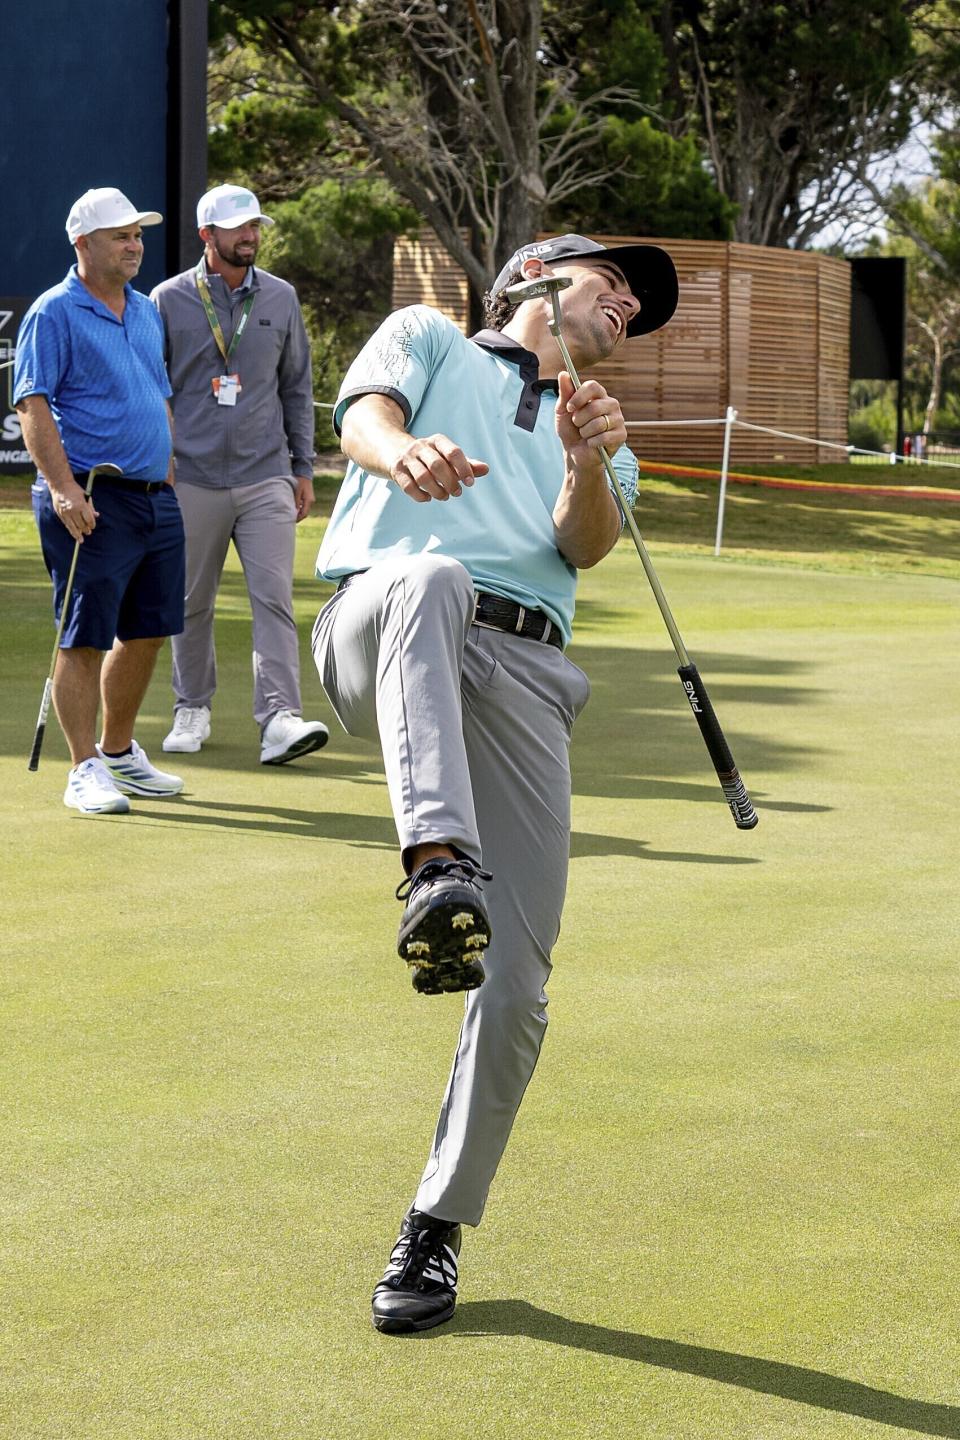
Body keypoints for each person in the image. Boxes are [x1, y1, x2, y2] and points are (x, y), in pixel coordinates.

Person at [311, 233, 678, 1332]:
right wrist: (403, 452)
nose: (623, 309)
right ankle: (436, 863)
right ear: (531, 278)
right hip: (385, 621)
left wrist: (584, 458)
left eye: (633, 311)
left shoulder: (604, 428)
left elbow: (586, 542)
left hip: (525, 668)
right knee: (430, 570)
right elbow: (363, 416)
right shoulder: (428, 336)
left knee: (517, 985)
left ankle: (436, 1225)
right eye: (609, 285)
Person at [14, 186, 186, 815]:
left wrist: (164, 466)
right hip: (88, 496)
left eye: (137, 234)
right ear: (83, 243)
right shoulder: (53, 312)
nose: (135, 244)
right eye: (120, 235)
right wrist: (61, 489)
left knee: (147, 630)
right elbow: (32, 403)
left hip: (152, 497)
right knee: (85, 635)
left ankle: (117, 754)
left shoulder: (144, 310)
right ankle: (83, 767)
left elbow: (157, 392)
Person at [150, 184, 329, 765]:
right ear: (208, 236)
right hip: (192, 477)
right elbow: (154, 389)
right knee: (188, 602)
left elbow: (296, 387)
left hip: (265, 475)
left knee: (274, 599)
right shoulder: (168, 299)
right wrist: (162, 460)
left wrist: (302, 467)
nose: (250, 236)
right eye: (237, 228)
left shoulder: (281, 297)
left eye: (254, 226)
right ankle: (191, 708)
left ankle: (279, 717)